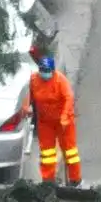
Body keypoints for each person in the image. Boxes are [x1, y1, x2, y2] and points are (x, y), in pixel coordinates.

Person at [27, 55, 81, 186]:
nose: (44, 73)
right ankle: (48, 181)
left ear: (52, 70)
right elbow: (29, 95)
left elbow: (68, 98)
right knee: (47, 153)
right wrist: (27, 106)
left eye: (47, 70)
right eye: (42, 70)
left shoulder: (60, 81)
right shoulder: (34, 80)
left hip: (63, 122)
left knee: (70, 152)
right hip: (45, 122)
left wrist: (65, 116)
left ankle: (75, 179)